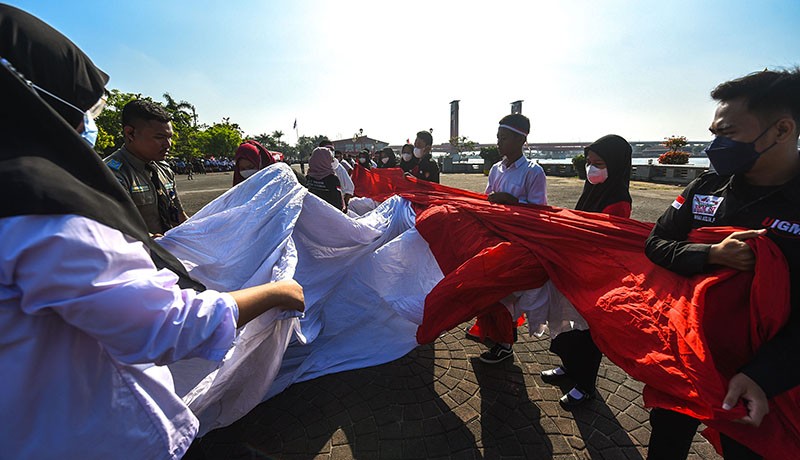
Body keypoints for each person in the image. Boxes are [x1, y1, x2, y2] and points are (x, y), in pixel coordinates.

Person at [0, 5, 305, 459]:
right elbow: (160, 323)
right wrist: (277, 292)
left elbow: (179, 222)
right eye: (86, 112)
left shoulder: (154, 173)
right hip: (92, 424)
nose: (167, 144)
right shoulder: (48, 204)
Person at [644, 69, 800, 459]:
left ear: (781, 131)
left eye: (727, 133)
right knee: (666, 440)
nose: (715, 145)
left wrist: (764, 376)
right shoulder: (706, 187)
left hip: (763, 382)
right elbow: (656, 243)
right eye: (713, 133)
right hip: (688, 357)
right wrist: (709, 254)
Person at [539, 134, 632, 408]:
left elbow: (603, 241)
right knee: (566, 325)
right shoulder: (592, 190)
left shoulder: (618, 200)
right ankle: (568, 368)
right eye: (589, 162)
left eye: (598, 163)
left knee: (586, 333)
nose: (591, 169)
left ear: (615, 165)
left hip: (594, 278)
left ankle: (585, 384)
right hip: (573, 270)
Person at [469, 113, 548, 363]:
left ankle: (505, 343)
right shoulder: (496, 169)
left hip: (517, 243)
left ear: (520, 140)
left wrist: (513, 202)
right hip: (494, 238)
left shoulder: (533, 172)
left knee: (506, 294)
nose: (499, 143)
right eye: (498, 138)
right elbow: (488, 199)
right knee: (487, 288)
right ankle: (490, 333)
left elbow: (539, 212)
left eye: (503, 138)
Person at [104, 99, 188, 235]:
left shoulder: (164, 169)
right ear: (130, 133)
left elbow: (179, 216)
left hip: (168, 251)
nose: (168, 144)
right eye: (160, 137)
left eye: (169, 137)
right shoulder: (111, 174)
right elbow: (118, 228)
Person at [306, 147, 345, 211]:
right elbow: (338, 203)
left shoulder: (309, 178)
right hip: (330, 215)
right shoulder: (332, 179)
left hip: (312, 213)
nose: (333, 160)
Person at [320, 140, 354, 210]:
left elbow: (350, 189)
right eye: (327, 149)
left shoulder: (337, 167)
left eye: (332, 150)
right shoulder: (314, 169)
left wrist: (344, 206)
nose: (330, 152)